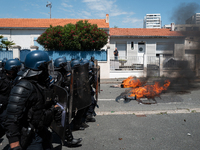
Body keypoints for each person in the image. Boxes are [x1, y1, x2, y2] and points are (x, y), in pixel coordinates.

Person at [4, 50, 62, 150]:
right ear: (40, 67)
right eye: (46, 66)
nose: (48, 70)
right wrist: (14, 144)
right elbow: (11, 118)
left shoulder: (40, 84)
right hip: (30, 137)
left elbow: (40, 105)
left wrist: (53, 109)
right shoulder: (23, 87)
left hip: (42, 132)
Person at [53, 56, 82, 146]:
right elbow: (55, 89)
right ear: (61, 65)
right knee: (63, 119)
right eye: (65, 65)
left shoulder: (62, 73)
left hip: (61, 101)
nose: (67, 66)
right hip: (57, 102)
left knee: (64, 119)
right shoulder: (57, 75)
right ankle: (69, 139)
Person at [0, 59, 21, 139]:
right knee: (6, 126)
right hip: (3, 107)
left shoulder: (16, 78)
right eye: (17, 68)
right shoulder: (2, 79)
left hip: (12, 106)